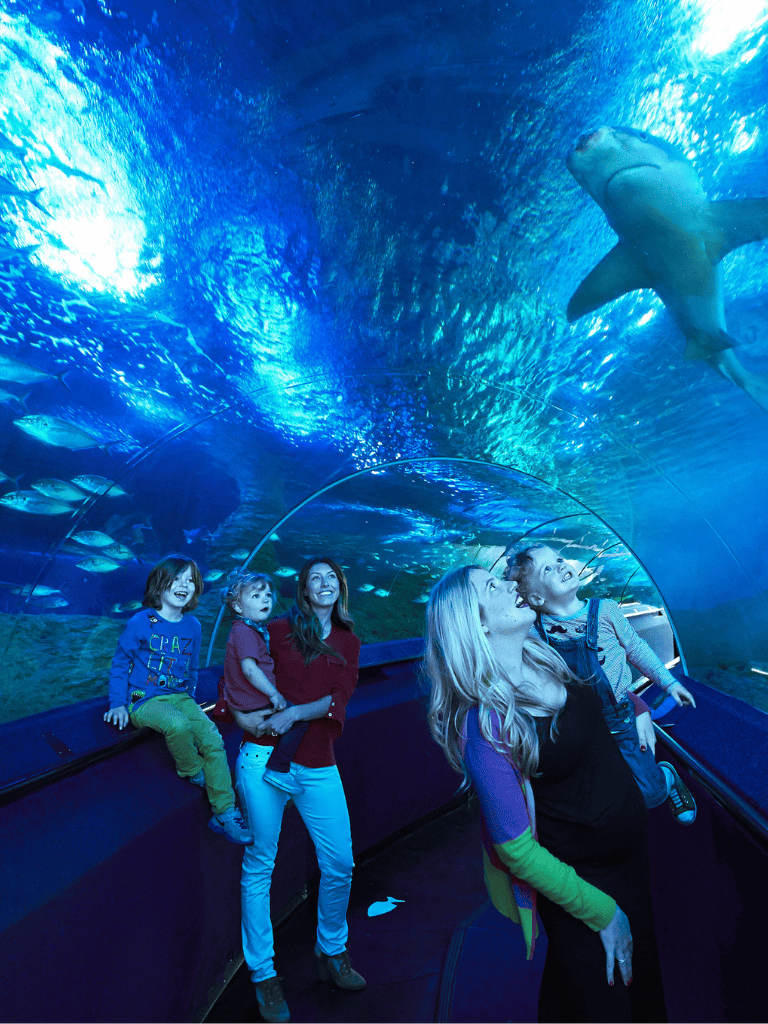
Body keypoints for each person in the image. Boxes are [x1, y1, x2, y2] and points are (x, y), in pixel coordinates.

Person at [425, 565, 668, 1023]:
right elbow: (515, 850)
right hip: (584, 886)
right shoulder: (486, 725)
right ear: (476, 623)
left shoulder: (547, 656)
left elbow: (602, 697)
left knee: (641, 997)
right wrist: (601, 911)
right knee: (600, 1005)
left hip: (631, 863)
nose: (510, 584)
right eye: (492, 586)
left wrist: (637, 706)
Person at [227, 557, 366, 1024]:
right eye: (314, 578)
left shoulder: (349, 641)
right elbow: (236, 672)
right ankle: (263, 973)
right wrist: (238, 714)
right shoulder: (277, 629)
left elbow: (339, 699)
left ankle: (332, 949)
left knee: (340, 863)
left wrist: (293, 713)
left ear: (340, 586)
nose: (324, 583)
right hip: (263, 758)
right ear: (303, 589)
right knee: (260, 864)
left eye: (332, 577)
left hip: (318, 762)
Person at [506, 545, 697, 824]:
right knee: (607, 788)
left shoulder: (606, 610)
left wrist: (668, 683)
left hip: (619, 718)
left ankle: (666, 778)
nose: (560, 565)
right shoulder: (536, 632)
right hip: (578, 726)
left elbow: (636, 649)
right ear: (536, 597)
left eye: (559, 559)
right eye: (547, 568)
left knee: (650, 793)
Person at [103, 554, 253, 846]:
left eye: (190, 580)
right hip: (144, 699)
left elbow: (192, 666)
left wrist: (191, 697)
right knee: (178, 725)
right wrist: (116, 703)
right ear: (159, 584)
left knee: (213, 741)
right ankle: (193, 771)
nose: (184, 585)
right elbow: (121, 662)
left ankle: (225, 813)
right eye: (176, 578)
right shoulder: (140, 621)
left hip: (181, 697)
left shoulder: (193, 625)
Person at [220, 568, 309, 794]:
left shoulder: (250, 630)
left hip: (249, 705)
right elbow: (249, 670)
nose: (265, 600)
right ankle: (279, 769)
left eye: (268, 595)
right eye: (256, 596)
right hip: (256, 704)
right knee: (298, 721)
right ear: (237, 606)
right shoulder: (245, 632)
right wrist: (274, 694)